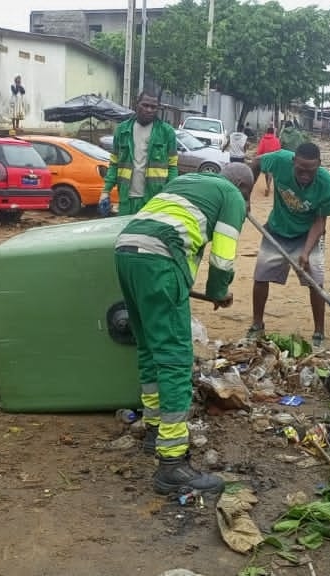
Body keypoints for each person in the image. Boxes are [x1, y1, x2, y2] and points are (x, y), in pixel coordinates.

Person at [116, 164, 254, 495]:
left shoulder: (187, 182)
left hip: (126, 252)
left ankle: (153, 431)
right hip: (160, 260)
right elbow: (223, 257)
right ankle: (172, 464)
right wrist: (220, 292)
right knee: (175, 359)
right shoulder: (231, 195)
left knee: (150, 348)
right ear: (241, 185)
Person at [247, 142, 330, 347]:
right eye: (300, 169)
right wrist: (245, 196)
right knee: (261, 277)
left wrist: (305, 252)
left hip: (308, 235)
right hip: (276, 229)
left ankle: (319, 333)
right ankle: (257, 325)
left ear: (319, 165)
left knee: (316, 282)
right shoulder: (279, 160)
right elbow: (256, 163)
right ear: (293, 161)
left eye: (311, 171)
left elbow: (320, 221)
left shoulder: (326, 183)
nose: (305, 175)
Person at [103, 91, 178, 216]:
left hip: (154, 200)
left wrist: (171, 195)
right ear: (136, 104)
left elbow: (173, 167)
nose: (149, 110)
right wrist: (105, 191)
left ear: (158, 109)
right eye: (145, 105)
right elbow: (114, 163)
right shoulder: (122, 130)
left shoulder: (167, 132)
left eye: (153, 107)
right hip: (127, 198)